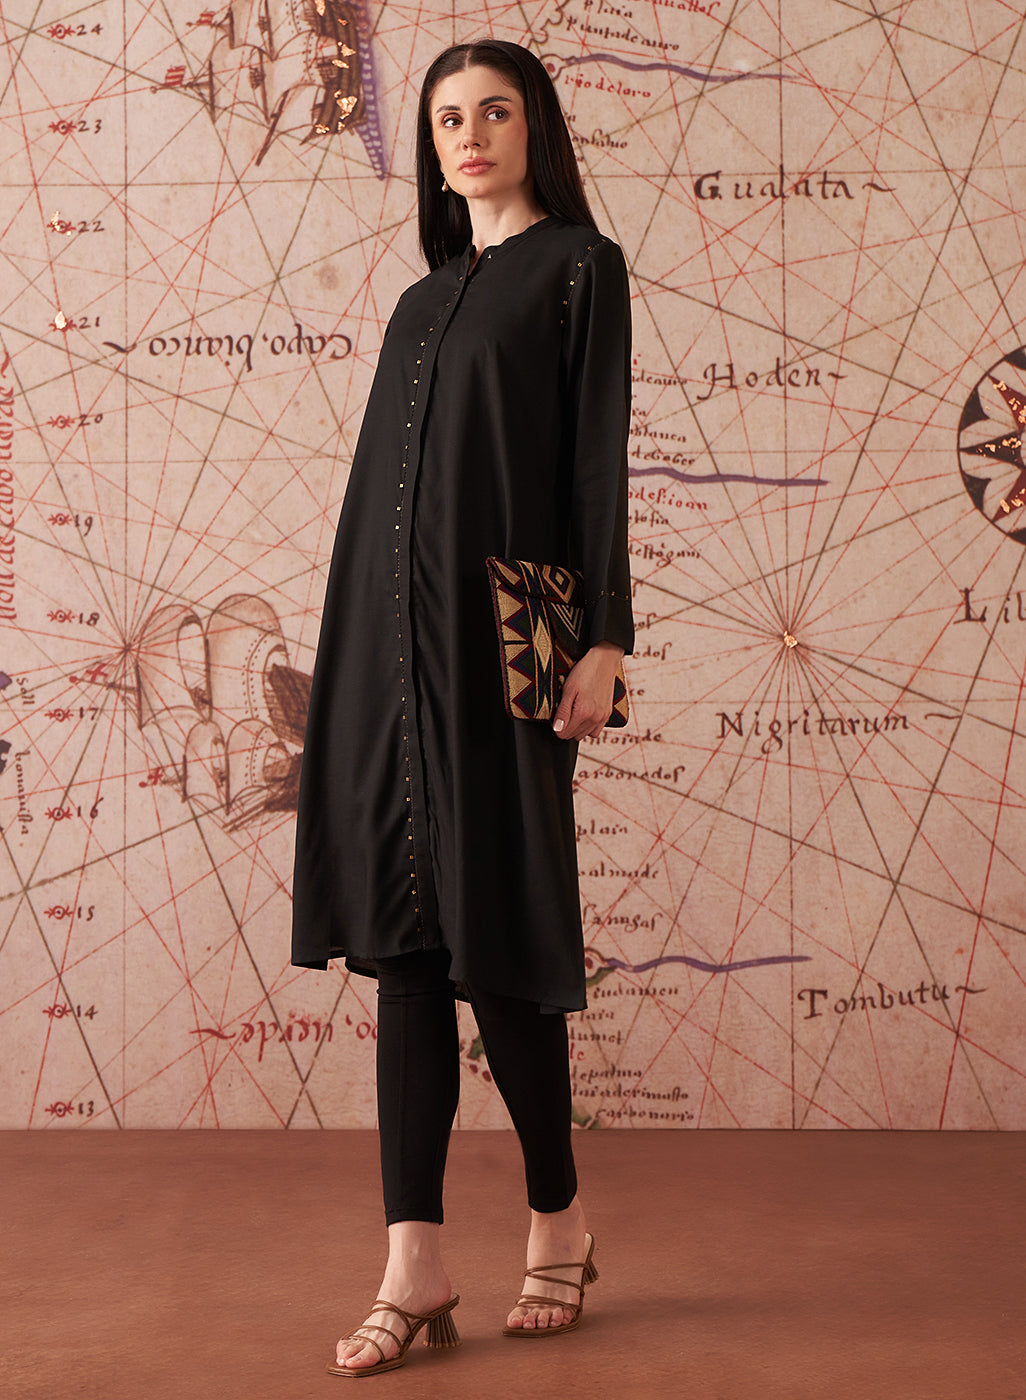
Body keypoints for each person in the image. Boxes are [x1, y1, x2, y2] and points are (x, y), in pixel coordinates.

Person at [291, 37, 634, 1377]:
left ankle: (558, 1221)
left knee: (498, 941)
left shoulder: (577, 270)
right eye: (445, 118)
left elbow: (594, 463)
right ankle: (413, 1265)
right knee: (403, 953)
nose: (469, 134)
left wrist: (604, 641)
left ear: (533, 126)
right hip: (384, 648)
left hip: (513, 640)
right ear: (430, 147)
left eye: (494, 111)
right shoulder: (419, 300)